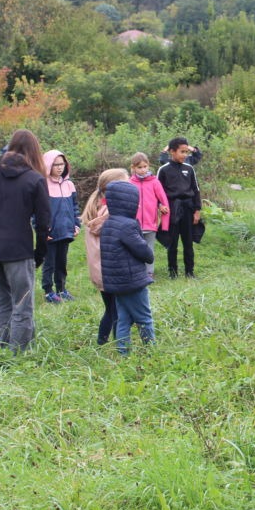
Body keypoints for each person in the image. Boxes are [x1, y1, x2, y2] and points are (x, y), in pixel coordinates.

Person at [0, 130, 51, 352]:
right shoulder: (35, 179)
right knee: (22, 304)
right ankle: (18, 354)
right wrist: (40, 253)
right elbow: (43, 223)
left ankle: (3, 349)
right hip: (18, 249)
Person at [100, 180, 158, 355]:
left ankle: (123, 353)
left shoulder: (108, 223)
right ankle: (152, 352)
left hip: (116, 282)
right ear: (129, 203)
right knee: (144, 318)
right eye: (136, 201)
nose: (139, 204)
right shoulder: (128, 225)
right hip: (132, 281)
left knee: (124, 318)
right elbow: (145, 253)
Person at [82, 168, 129, 345]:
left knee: (110, 309)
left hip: (99, 271)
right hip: (111, 270)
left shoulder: (96, 208)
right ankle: (120, 347)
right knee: (117, 311)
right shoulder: (110, 214)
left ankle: (102, 342)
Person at [157, 137, 202, 278]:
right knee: (172, 242)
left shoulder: (189, 169)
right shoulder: (163, 170)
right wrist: (160, 206)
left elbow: (196, 190)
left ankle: (190, 272)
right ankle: (173, 272)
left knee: (188, 242)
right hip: (171, 210)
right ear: (172, 152)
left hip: (188, 209)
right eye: (181, 152)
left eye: (186, 152)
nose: (185, 155)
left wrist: (197, 210)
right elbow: (157, 191)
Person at [41, 149, 80, 304]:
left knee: (61, 262)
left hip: (65, 231)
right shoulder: (43, 185)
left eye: (61, 164)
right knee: (49, 263)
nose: (59, 167)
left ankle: (61, 289)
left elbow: (75, 207)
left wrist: (76, 224)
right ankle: (48, 291)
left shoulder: (69, 185)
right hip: (50, 233)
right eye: (55, 164)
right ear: (48, 165)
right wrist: (43, 230)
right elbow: (37, 211)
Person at [128, 151, 169, 280]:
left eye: (145, 166)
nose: (143, 170)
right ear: (133, 168)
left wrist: (161, 207)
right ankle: (137, 273)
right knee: (135, 249)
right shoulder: (129, 183)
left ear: (148, 166)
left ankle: (149, 273)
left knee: (149, 249)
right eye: (139, 167)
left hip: (151, 223)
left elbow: (163, 200)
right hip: (135, 224)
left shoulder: (154, 182)